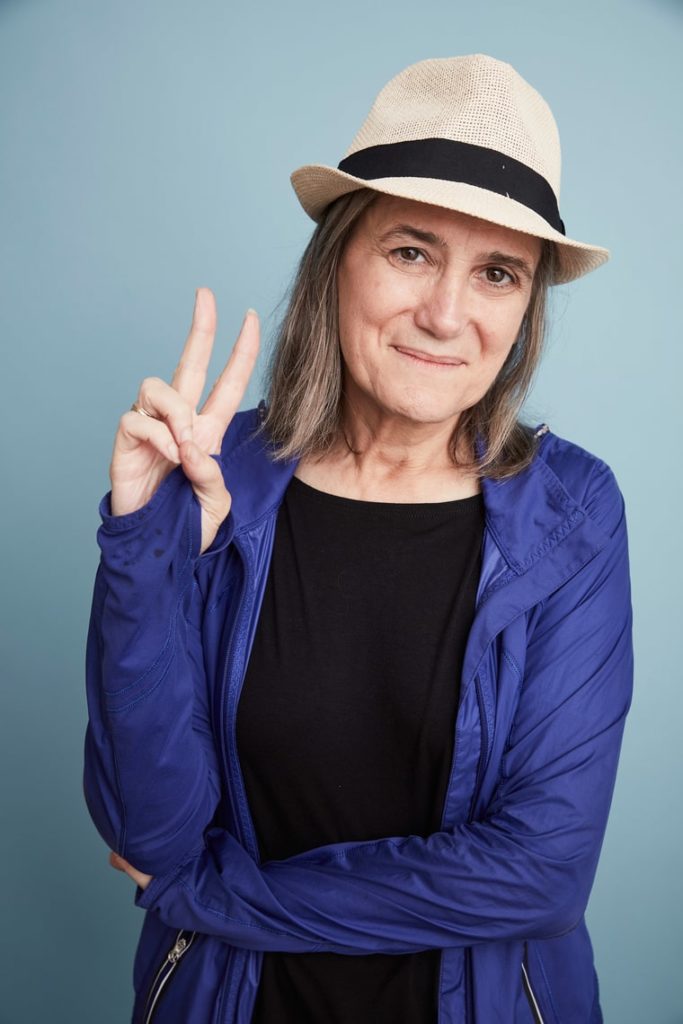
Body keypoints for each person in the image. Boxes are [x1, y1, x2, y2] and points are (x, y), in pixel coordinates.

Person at [84, 54, 633, 1023]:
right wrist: (142, 542)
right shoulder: (219, 474)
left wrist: (216, 898)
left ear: (523, 311)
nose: (445, 315)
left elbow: (536, 874)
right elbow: (149, 830)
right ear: (336, 256)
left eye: (496, 273)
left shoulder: (572, 512)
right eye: (410, 251)